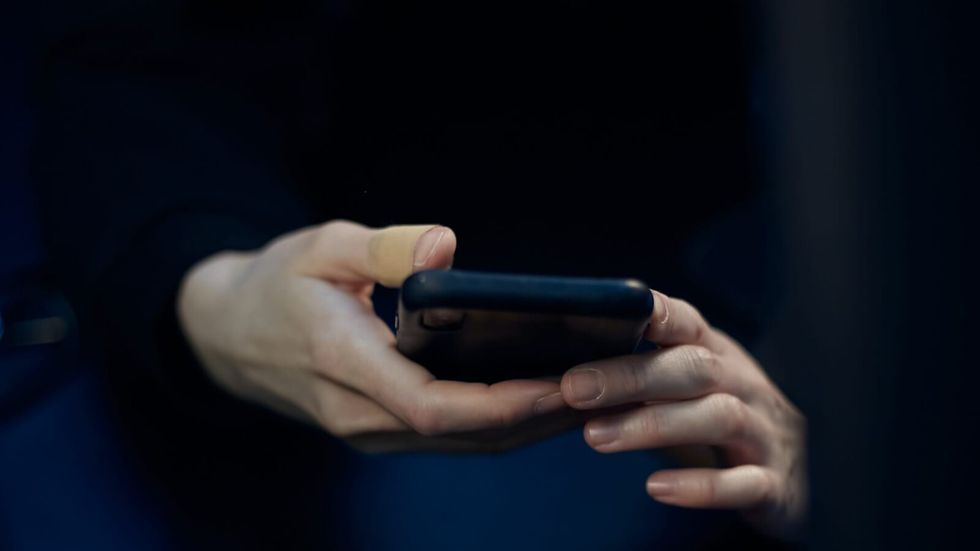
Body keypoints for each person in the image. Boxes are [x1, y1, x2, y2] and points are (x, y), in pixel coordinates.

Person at [32, 0, 804, 547]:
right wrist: (211, 290)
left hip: (731, 352)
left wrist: (857, 466)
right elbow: (123, 66)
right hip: (268, 399)